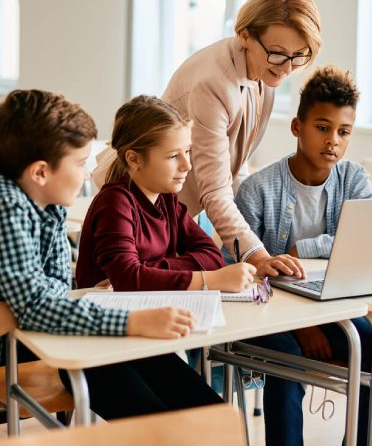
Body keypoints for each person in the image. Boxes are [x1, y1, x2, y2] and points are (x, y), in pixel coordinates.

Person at [0, 89, 223, 421]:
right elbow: (38, 308)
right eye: (79, 163)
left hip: (73, 336)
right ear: (40, 172)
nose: (87, 174)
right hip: (38, 349)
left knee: (211, 413)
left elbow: (56, 294)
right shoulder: (9, 206)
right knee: (163, 426)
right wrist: (133, 320)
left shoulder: (49, 203)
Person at [224, 66, 372, 446]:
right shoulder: (257, 190)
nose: (333, 141)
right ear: (297, 127)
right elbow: (236, 272)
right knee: (286, 361)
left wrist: (301, 250)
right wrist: (303, 325)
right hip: (267, 319)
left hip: (332, 311)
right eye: (322, 128)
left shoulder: (353, 179)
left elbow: (367, 241)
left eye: (343, 132)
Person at [94, 0, 322, 279]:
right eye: (278, 53)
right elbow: (215, 188)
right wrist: (256, 254)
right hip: (138, 203)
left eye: (299, 55)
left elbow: (234, 171)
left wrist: (260, 242)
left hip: (176, 208)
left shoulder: (266, 73)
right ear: (245, 36)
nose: (287, 67)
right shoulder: (213, 83)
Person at [76, 95, 256, 293]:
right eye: (173, 156)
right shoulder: (114, 202)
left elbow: (212, 256)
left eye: (187, 151)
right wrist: (209, 280)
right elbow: (128, 279)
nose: (187, 165)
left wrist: (146, 272)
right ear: (134, 159)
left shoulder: (166, 199)